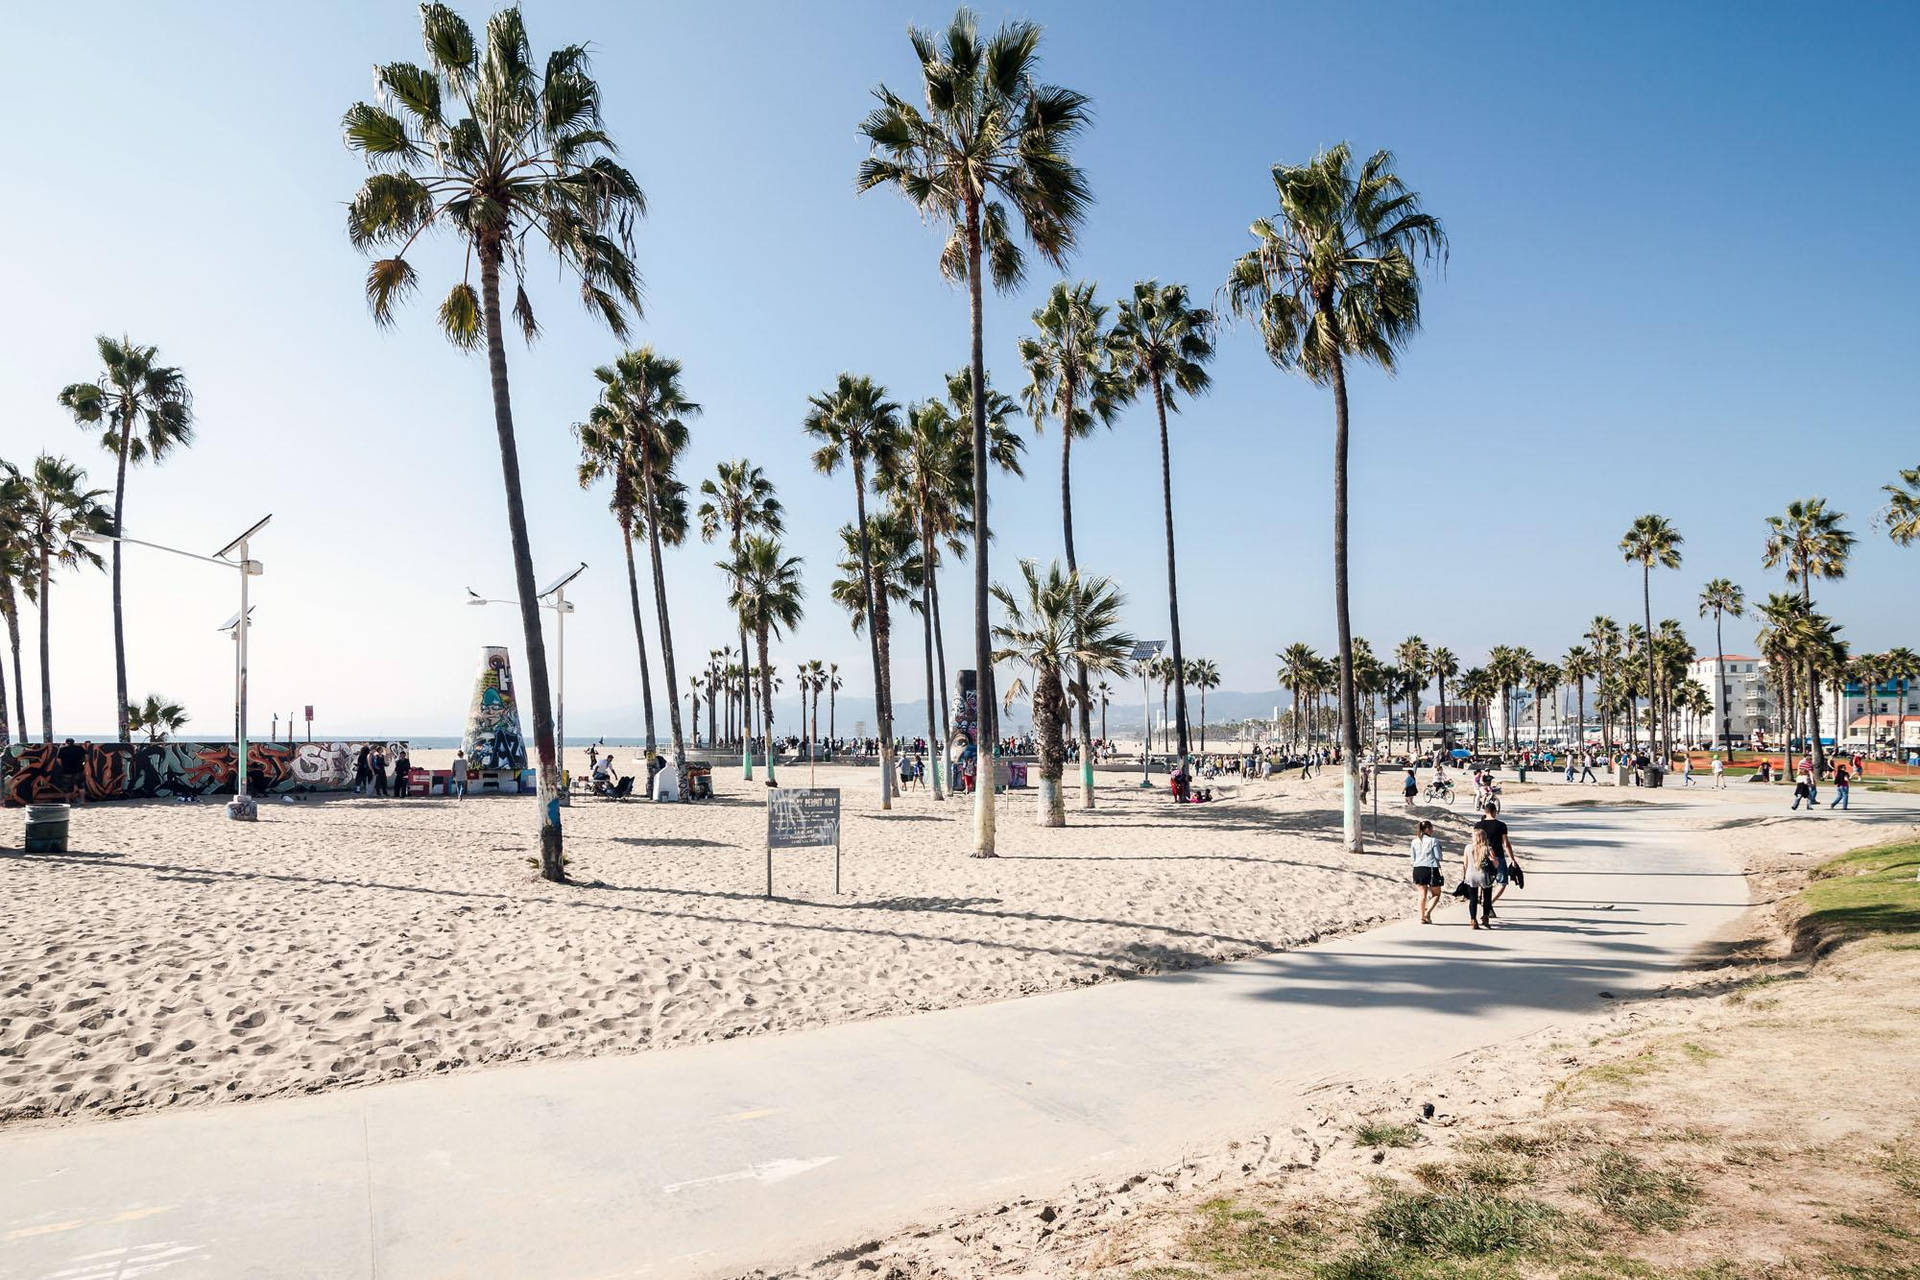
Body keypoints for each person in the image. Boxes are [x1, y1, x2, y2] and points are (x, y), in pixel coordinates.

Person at [1472, 802, 1516, 917]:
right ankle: (1488, 903)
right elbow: (1506, 844)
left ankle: (1486, 903)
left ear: (1485, 812)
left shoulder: (1478, 825)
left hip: (1481, 855)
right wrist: (1512, 859)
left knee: (1484, 880)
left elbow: (1475, 842)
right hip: (1497, 856)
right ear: (1494, 811)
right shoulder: (1501, 825)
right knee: (1502, 882)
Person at [1410, 819, 1444, 924]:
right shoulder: (1433, 841)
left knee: (1422, 894)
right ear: (1428, 829)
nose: (1433, 830)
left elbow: (1412, 858)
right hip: (1431, 868)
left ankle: (1422, 917)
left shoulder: (1414, 841)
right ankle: (1428, 912)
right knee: (1436, 894)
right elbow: (1438, 856)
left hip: (1417, 868)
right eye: (1432, 828)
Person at [1462, 828, 1497, 930]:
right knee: (1487, 897)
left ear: (1475, 837)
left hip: (1471, 875)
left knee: (1473, 899)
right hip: (1483, 876)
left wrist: (1464, 876)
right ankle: (1485, 917)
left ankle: (1473, 920)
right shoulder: (1488, 849)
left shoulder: (1468, 847)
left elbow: (1465, 864)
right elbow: (1495, 864)